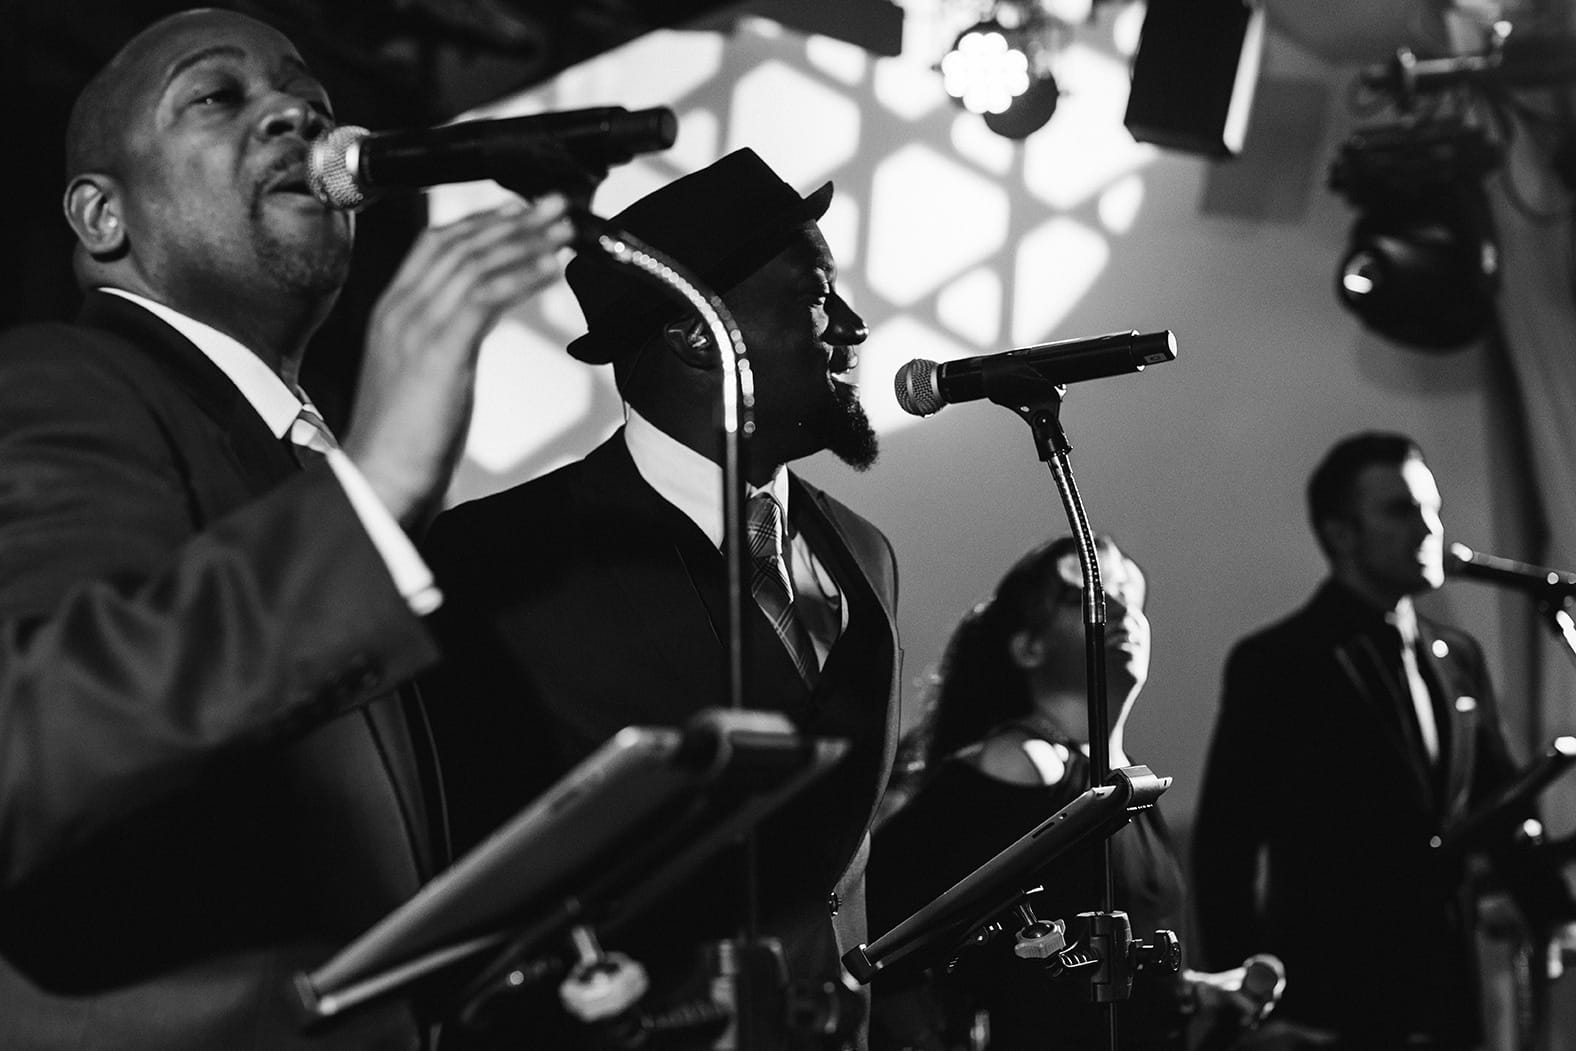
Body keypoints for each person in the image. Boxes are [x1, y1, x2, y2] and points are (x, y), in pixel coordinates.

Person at [0, 9, 574, 1049]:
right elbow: (26, 740)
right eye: (217, 97)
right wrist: (375, 492)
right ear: (99, 217)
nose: (295, 116)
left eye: (310, 98)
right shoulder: (56, 383)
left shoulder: (286, 463)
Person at [420, 148, 900, 1048]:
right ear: (693, 332)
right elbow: (457, 871)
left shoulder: (867, 556)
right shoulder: (498, 557)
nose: (853, 325)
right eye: (815, 294)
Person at [1191, 431, 1576, 1049]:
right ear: (1341, 533)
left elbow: (1500, 799)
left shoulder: (1456, 655)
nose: (1429, 528)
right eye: (1400, 511)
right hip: (1331, 989)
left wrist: (1551, 908)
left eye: (1432, 509)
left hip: (1447, 982)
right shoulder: (1281, 659)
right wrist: (1245, 1002)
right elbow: (1225, 845)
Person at [867, 535, 1274, 1051]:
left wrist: (1196, 993)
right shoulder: (1023, 763)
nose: (1125, 609)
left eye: (1132, 592)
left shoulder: (1126, 783)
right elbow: (879, 913)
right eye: (1095, 596)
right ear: (1028, 646)